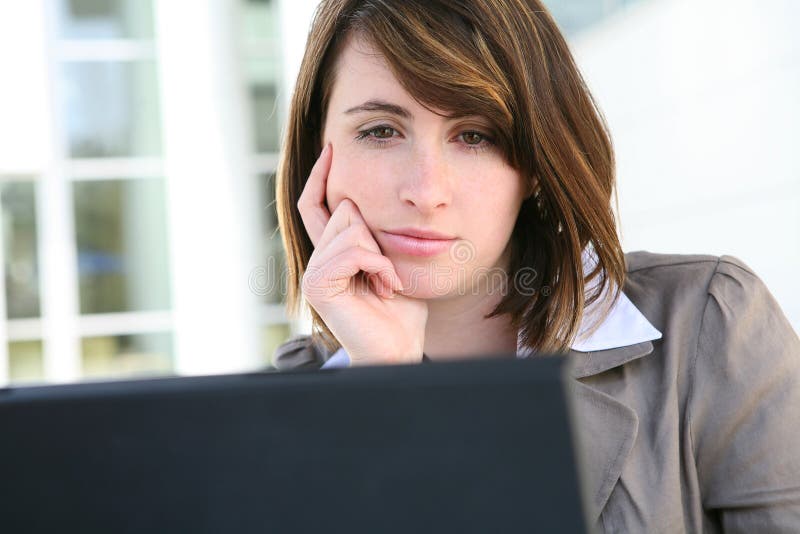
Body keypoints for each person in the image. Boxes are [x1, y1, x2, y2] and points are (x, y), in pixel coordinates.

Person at [270, 0, 800, 531]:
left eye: (475, 135)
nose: (425, 192)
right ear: (318, 149)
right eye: (381, 131)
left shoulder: (711, 325)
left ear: (536, 167)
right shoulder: (279, 416)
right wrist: (387, 393)